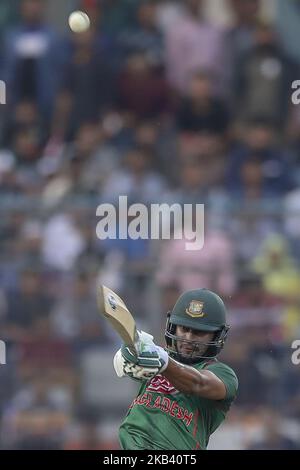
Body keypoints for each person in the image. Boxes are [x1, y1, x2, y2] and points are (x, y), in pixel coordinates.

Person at [113, 288, 238, 450]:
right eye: (184, 328)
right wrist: (127, 354)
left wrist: (163, 362)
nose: (188, 338)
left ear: (216, 337)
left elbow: (197, 383)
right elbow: (133, 363)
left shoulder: (223, 373)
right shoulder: (157, 356)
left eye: (199, 332)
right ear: (173, 327)